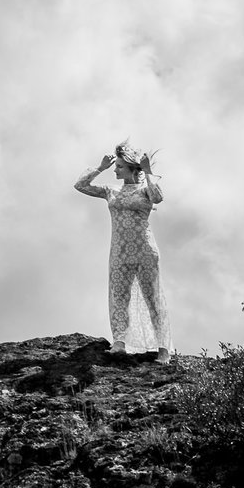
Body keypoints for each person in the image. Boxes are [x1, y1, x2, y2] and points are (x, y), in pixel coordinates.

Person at [75, 142, 167, 358]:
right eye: (115, 166)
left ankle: (163, 348)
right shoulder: (110, 190)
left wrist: (148, 172)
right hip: (119, 250)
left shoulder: (145, 190)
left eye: (119, 166)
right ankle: (120, 343)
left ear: (133, 169)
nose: (115, 169)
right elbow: (80, 185)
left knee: (152, 297)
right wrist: (100, 168)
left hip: (145, 249)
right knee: (119, 296)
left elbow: (158, 197)